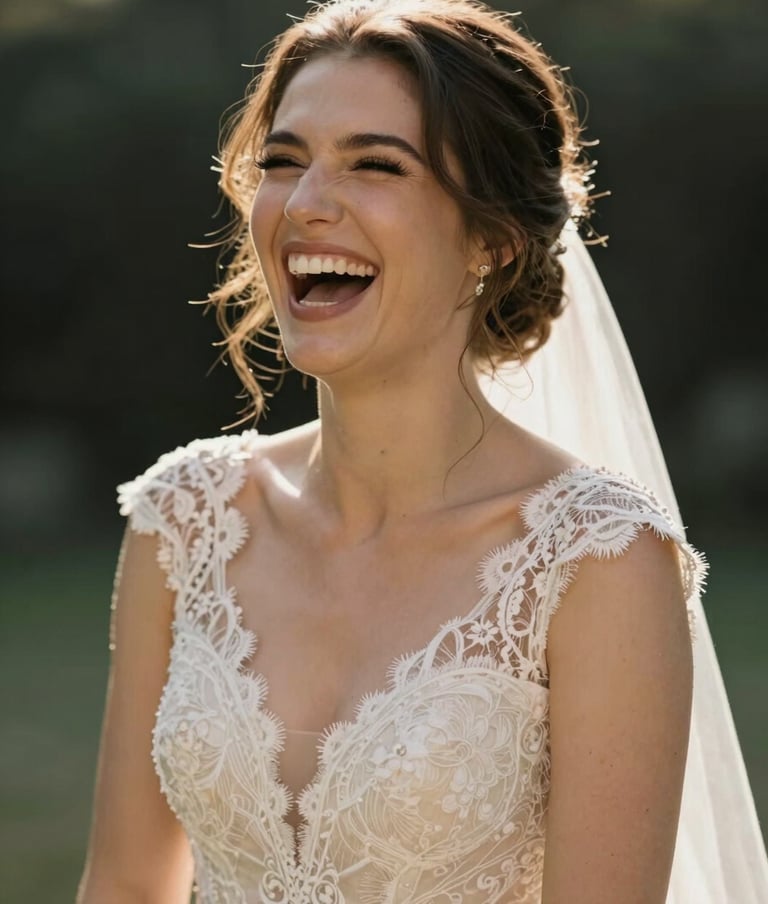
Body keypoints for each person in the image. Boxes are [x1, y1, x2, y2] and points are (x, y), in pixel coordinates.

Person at [77, 1, 768, 902]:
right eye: (284, 162)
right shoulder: (185, 518)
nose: (307, 205)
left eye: (375, 165)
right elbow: (125, 885)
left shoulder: (594, 560)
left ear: (493, 237)